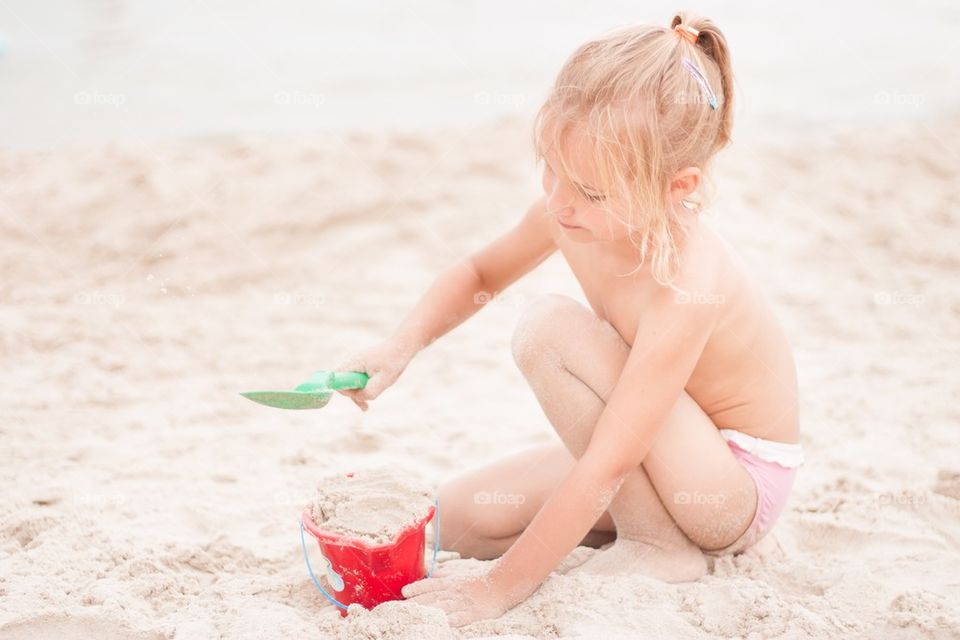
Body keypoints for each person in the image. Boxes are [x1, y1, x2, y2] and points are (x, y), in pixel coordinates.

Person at [337, 11, 804, 627]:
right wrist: (399, 347)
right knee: (453, 522)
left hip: (728, 486)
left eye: (590, 191)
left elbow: (608, 460)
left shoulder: (688, 280)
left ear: (677, 186)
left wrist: (497, 591)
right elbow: (480, 274)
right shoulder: (571, 212)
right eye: (551, 169)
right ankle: (645, 530)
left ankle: (658, 545)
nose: (559, 202)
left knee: (548, 327)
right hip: (653, 447)